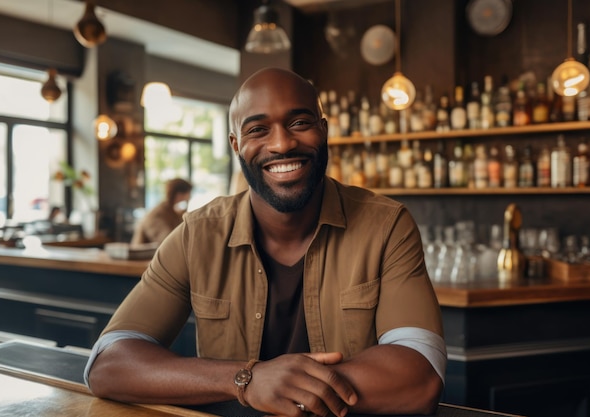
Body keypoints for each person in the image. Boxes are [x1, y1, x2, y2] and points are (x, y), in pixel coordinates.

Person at [85, 67, 446, 417]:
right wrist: (247, 380)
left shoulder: (386, 225)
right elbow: (108, 364)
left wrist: (286, 386)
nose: (282, 143)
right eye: (258, 129)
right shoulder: (197, 234)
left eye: (300, 123)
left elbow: (419, 378)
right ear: (236, 144)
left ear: (324, 131)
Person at [130, 178, 192, 245]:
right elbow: (167, 241)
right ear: (179, 194)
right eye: (188, 194)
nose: (190, 197)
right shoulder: (158, 214)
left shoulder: (172, 211)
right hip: (144, 254)